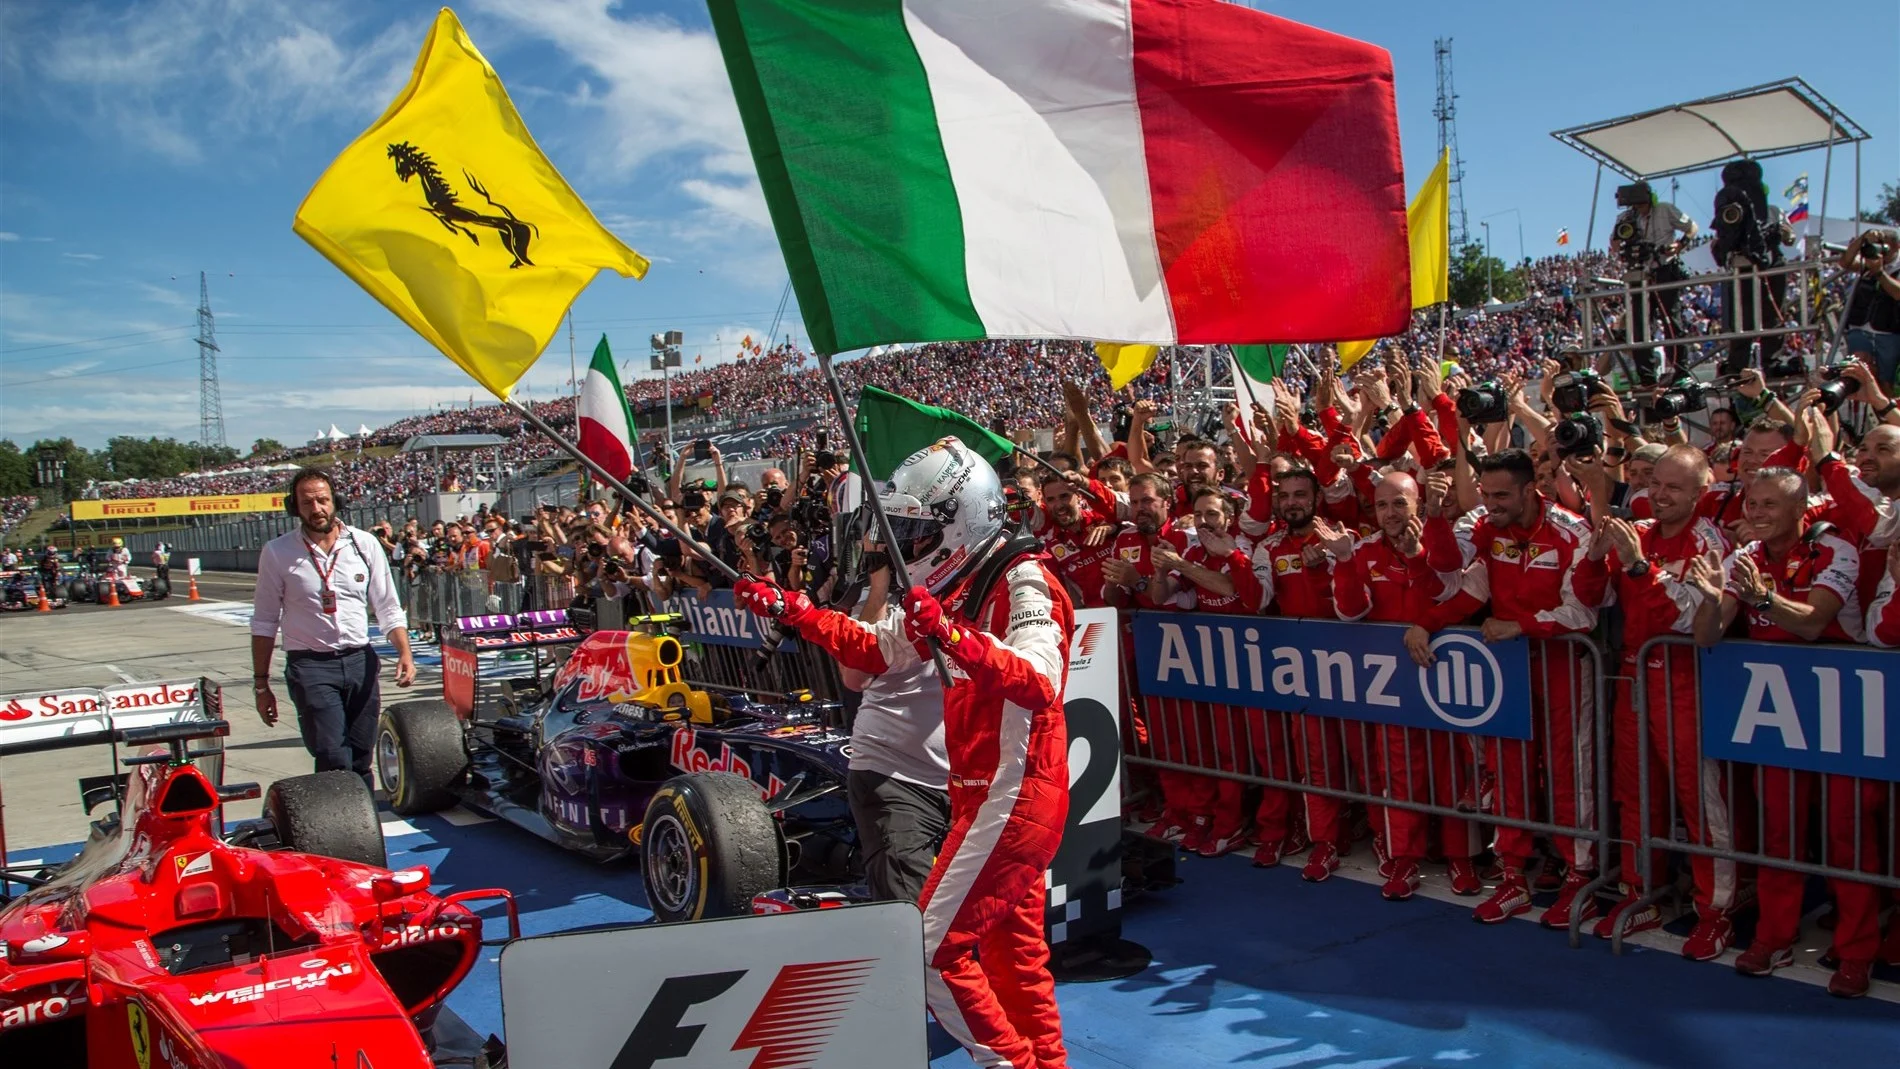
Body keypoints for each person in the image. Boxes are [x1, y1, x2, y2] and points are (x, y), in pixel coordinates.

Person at [735, 436, 1073, 1069]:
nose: (907, 545)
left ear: (960, 517)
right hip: (982, 792)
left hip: (1015, 791)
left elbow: (1040, 679)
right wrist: (795, 609)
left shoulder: (1023, 579)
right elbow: (876, 650)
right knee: (1012, 957)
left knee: (924, 946)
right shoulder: (959, 580)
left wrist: (954, 635)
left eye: (917, 529)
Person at [1690, 466, 1873, 996]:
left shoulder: (1834, 549)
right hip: (1776, 714)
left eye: (1770, 505)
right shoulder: (1741, 558)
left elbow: (1815, 623)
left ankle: (1857, 952)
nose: (1757, 514)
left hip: (1845, 711)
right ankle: (1774, 936)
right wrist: (1709, 597)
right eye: (1751, 504)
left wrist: (1764, 601)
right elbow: (1707, 637)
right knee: (1779, 833)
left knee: (1849, 835)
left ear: (1800, 510)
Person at [1423, 449, 1607, 928]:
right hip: (1508, 673)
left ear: (1531, 490)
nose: (1491, 503)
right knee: (1509, 775)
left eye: (1501, 494)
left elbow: (1584, 612)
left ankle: (1577, 877)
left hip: (1566, 669)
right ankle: (1511, 878)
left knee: (1570, 773)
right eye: (1485, 494)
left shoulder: (1573, 531)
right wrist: (1425, 621)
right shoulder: (1486, 525)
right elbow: (1456, 583)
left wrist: (1520, 626)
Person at [1579, 445, 1735, 956]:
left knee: (1700, 801)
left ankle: (1717, 909)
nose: (1659, 494)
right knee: (1635, 792)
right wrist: (1597, 555)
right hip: (1632, 681)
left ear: (1699, 493)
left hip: (1685, 684)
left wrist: (1640, 567)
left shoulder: (1707, 541)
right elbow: (1590, 599)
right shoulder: (1637, 532)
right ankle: (1638, 889)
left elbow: (1687, 621)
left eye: (1674, 487)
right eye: (1655, 484)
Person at [1331, 471, 1484, 900]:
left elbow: (1452, 593)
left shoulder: (1444, 539)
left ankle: (1462, 859)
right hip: (1393, 686)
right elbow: (1350, 612)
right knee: (1399, 775)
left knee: (1452, 774)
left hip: (1446, 681)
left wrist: (1419, 555)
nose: (1391, 513)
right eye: (1382, 505)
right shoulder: (1360, 551)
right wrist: (1343, 563)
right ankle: (1405, 859)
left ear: (1417, 503)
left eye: (1400, 503)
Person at [252, 468, 416, 787]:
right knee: (332, 757)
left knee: (359, 758)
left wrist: (405, 653)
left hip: (360, 661)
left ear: (335, 501)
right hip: (311, 666)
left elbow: (387, 607)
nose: (317, 509)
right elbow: (264, 620)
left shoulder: (365, 545)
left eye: (323, 500)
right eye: (307, 502)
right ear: (294, 507)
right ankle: (338, 831)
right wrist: (261, 685)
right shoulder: (277, 552)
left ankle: (364, 828)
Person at [837, 549, 951, 905]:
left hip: (963, 778)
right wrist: (879, 589)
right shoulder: (872, 604)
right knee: (909, 911)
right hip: (893, 774)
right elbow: (854, 676)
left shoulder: (964, 589)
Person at [1608, 181, 1697, 382]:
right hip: (1639, 274)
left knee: (1671, 320)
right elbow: (1614, 243)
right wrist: (1623, 249)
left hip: (1664, 268)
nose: (1639, 209)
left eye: (1641, 205)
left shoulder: (1665, 209)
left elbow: (1692, 227)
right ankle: (1646, 374)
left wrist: (1679, 245)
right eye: (1635, 206)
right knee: (1639, 325)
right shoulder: (1626, 218)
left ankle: (1680, 369)